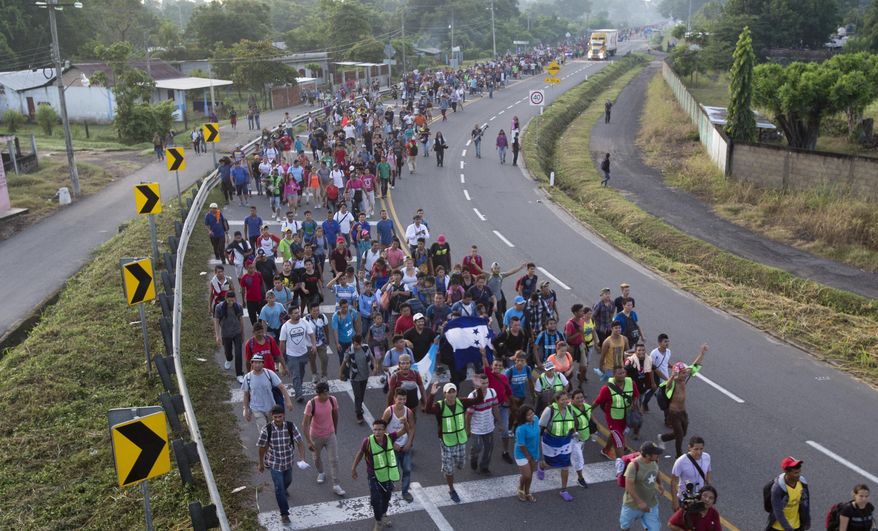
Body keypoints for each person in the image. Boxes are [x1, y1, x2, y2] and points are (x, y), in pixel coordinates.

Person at [424, 381, 484, 503]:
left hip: (461, 439)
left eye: (453, 392)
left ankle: (448, 468)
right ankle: (451, 489)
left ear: (456, 393)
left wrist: (479, 388)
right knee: (450, 469)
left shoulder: (461, 402)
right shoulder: (439, 406)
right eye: (448, 392)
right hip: (446, 441)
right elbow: (427, 409)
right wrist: (432, 395)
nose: (451, 395)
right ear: (444, 394)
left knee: (461, 465)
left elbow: (478, 400)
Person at [351, 418, 410, 531]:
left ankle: (383, 514)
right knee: (375, 499)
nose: (377, 432)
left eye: (380, 429)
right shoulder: (367, 441)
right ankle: (378, 521)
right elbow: (360, 453)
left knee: (386, 497)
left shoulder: (390, 437)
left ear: (385, 430)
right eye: (375, 429)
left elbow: (405, 430)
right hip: (373, 475)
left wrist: (405, 422)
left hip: (387, 474)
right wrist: (353, 468)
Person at [256, 404, 309, 524]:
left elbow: (300, 442)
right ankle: (284, 513)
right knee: (279, 488)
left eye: (280, 417)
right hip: (274, 463)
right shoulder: (267, 429)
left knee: (288, 480)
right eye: (275, 417)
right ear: (272, 417)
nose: (278, 419)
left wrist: (302, 458)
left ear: (284, 415)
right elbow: (261, 448)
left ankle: (283, 491)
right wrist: (261, 464)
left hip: (288, 461)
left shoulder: (290, 426)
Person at [658, 344, 708, 457]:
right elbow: (667, 386)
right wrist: (672, 376)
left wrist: (702, 353)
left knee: (682, 433)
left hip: (683, 412)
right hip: (674, 413)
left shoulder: (683, 378)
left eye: (685, 372)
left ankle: (662, 438)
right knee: (680, 436)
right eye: (683, 373)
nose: (686, 374)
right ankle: (679, 455)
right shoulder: (672, 382)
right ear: (677, 373)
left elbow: (694, 365)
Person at [302, 381, 346, 496]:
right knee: (316, 458)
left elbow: (336, 414)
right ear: (318, 394)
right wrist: (309, 441)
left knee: (334, 459)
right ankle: (321, 472)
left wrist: (335, 430)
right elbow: (305, 424)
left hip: (330, 434)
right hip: (316, 436)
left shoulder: (332, 400)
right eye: (324, 394)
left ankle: (336, 484)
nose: (326, 396)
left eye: (327, 393)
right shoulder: (311, 404)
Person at [537, 390, 579, 502]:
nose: (566, 402)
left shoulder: (570, 408)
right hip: (551, 441)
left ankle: (564, 490)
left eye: (567, 399)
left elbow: (572, 422)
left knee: (565, 464)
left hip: (565, 440)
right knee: (551, 462)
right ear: (557, 400)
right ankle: (541, 466)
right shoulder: (549, 410)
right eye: (563, 400)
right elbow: (541, 426)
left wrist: (574, 432)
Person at [592, 366, 640, 460]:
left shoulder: (631, 383)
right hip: (613, 418)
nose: (622, 375)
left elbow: (636, 395)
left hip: (626, 417)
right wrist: (588, 411)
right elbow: (597, 402)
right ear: (614, 375)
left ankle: (606, 450)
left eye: (623, 373)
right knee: (619, 442)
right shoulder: (606, 389)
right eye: (619, 374)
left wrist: (636, 407)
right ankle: (622, 465)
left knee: (616, 435)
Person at [242, 353, 293, 435]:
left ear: (263, 363)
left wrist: (288, 401)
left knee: (274, 429)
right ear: (251, 363)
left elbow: (282, 387)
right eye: (255, 362)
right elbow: (246, 394)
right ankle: (267, 446)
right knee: (264, 432)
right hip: (256, 409)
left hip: (271, 408)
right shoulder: (247, 377)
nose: (257, 365)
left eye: (259, 362)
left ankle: (274, 444)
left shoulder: (269, 374)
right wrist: (246, 409)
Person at [381, 388, 416, 503]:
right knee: (393, 470)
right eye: (399, 399)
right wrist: (392, 443)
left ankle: (405, 491)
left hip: (405, 446)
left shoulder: (408, 412)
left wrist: (409, 442)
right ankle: (389, 490)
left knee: (407, 469)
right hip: (393, 447)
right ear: (394, 398)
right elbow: (382, 427)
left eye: (404, 399)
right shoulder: (388, 411)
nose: (401, 401)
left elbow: (411, 428)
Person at [620, 441, 664, 531]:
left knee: (654, 529)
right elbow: (629, 487)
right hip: (632, 505)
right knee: (625, 526)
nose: (658, 455)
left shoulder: (654, 460)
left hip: (651, 503)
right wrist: (640, 503)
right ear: (647, 455)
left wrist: (660, 484)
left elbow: (657, 470)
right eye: (655, 453)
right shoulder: (633, 465)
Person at [279, 307, 317, 402]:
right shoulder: (285, 327)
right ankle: (299, 394)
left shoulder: (304, 322)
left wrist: (313, 345)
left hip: (303, 353)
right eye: (295, 313)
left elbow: (311, 334)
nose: (298, 314)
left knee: (301, 372)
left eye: (298, 312)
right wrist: (281, 356)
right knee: (296, 375)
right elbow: (282, 342)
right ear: (290, 315)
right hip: (292, 355)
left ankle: (298, 386)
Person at [466, 371, 499, 475]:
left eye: (487, 383)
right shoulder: (472, 396)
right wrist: (467, 430)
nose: (485, 385)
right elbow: (468, 415)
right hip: (476, 428)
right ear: (478, 384)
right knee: (478, 447)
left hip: (489, 426)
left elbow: (495, 408)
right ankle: (473, 457)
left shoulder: (492, 392)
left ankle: (484, 467)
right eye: (483, 383)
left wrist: (499, 422)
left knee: (489, 447)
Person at [767, 457, 811, 531]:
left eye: (799, 472)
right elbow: (778, 512)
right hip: (779, 527)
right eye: (795, 473)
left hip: (796, 526)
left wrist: (807, 520)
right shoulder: (778, 488)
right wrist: (788, 529)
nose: (798, 475)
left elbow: (806, 503)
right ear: (786, 472)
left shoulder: (802, 483)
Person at [670, 436, 713, 512]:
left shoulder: (707, 457)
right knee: (684, 523)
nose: (699, 452)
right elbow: (673, 482)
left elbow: (708, 471)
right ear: (689, 447)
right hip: (685, 500)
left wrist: (709, 486)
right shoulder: (681, 461)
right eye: (696, 449)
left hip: (700, 499)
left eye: (701, 449)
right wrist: (675, 501)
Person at [215, 291, 245, 383]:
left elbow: (241, 320)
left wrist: (242, 333)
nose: (231, 301)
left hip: (237, 333)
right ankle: (228, 359)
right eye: (229, 299)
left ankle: (239, 374)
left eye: (232, 299)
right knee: (228, 352)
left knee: (238, 353)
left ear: (234, 299)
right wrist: (217, 335)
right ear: (226, 298)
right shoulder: (219, 307)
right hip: (226, 333)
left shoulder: (238, 307)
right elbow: (216, 321)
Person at [514, 405, 541, 503]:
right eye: (528, 415)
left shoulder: (536, 419)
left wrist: (536, 453)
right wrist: (528, 456)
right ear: (523, 417)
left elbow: (538, 434)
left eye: (532, 413)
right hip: (522, 454)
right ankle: (521, 489)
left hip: (534, 452)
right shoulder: (521, 428)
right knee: (527, 475)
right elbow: (521, 445)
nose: (531, 416)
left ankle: (527, 492)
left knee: (531, 474)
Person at [569, 389, 595, 489]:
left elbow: (592, 419)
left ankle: (543, 465)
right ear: (572, 400)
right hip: (573, 439)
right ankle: (580, 478)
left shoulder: (587, 407)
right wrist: (574, 432)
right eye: (577, 398)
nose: (580, 399)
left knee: (576, 456)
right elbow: (570, 423)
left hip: (583, 438)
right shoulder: (569, 410)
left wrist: (595, 430)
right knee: (579, 459)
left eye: (581, 397)